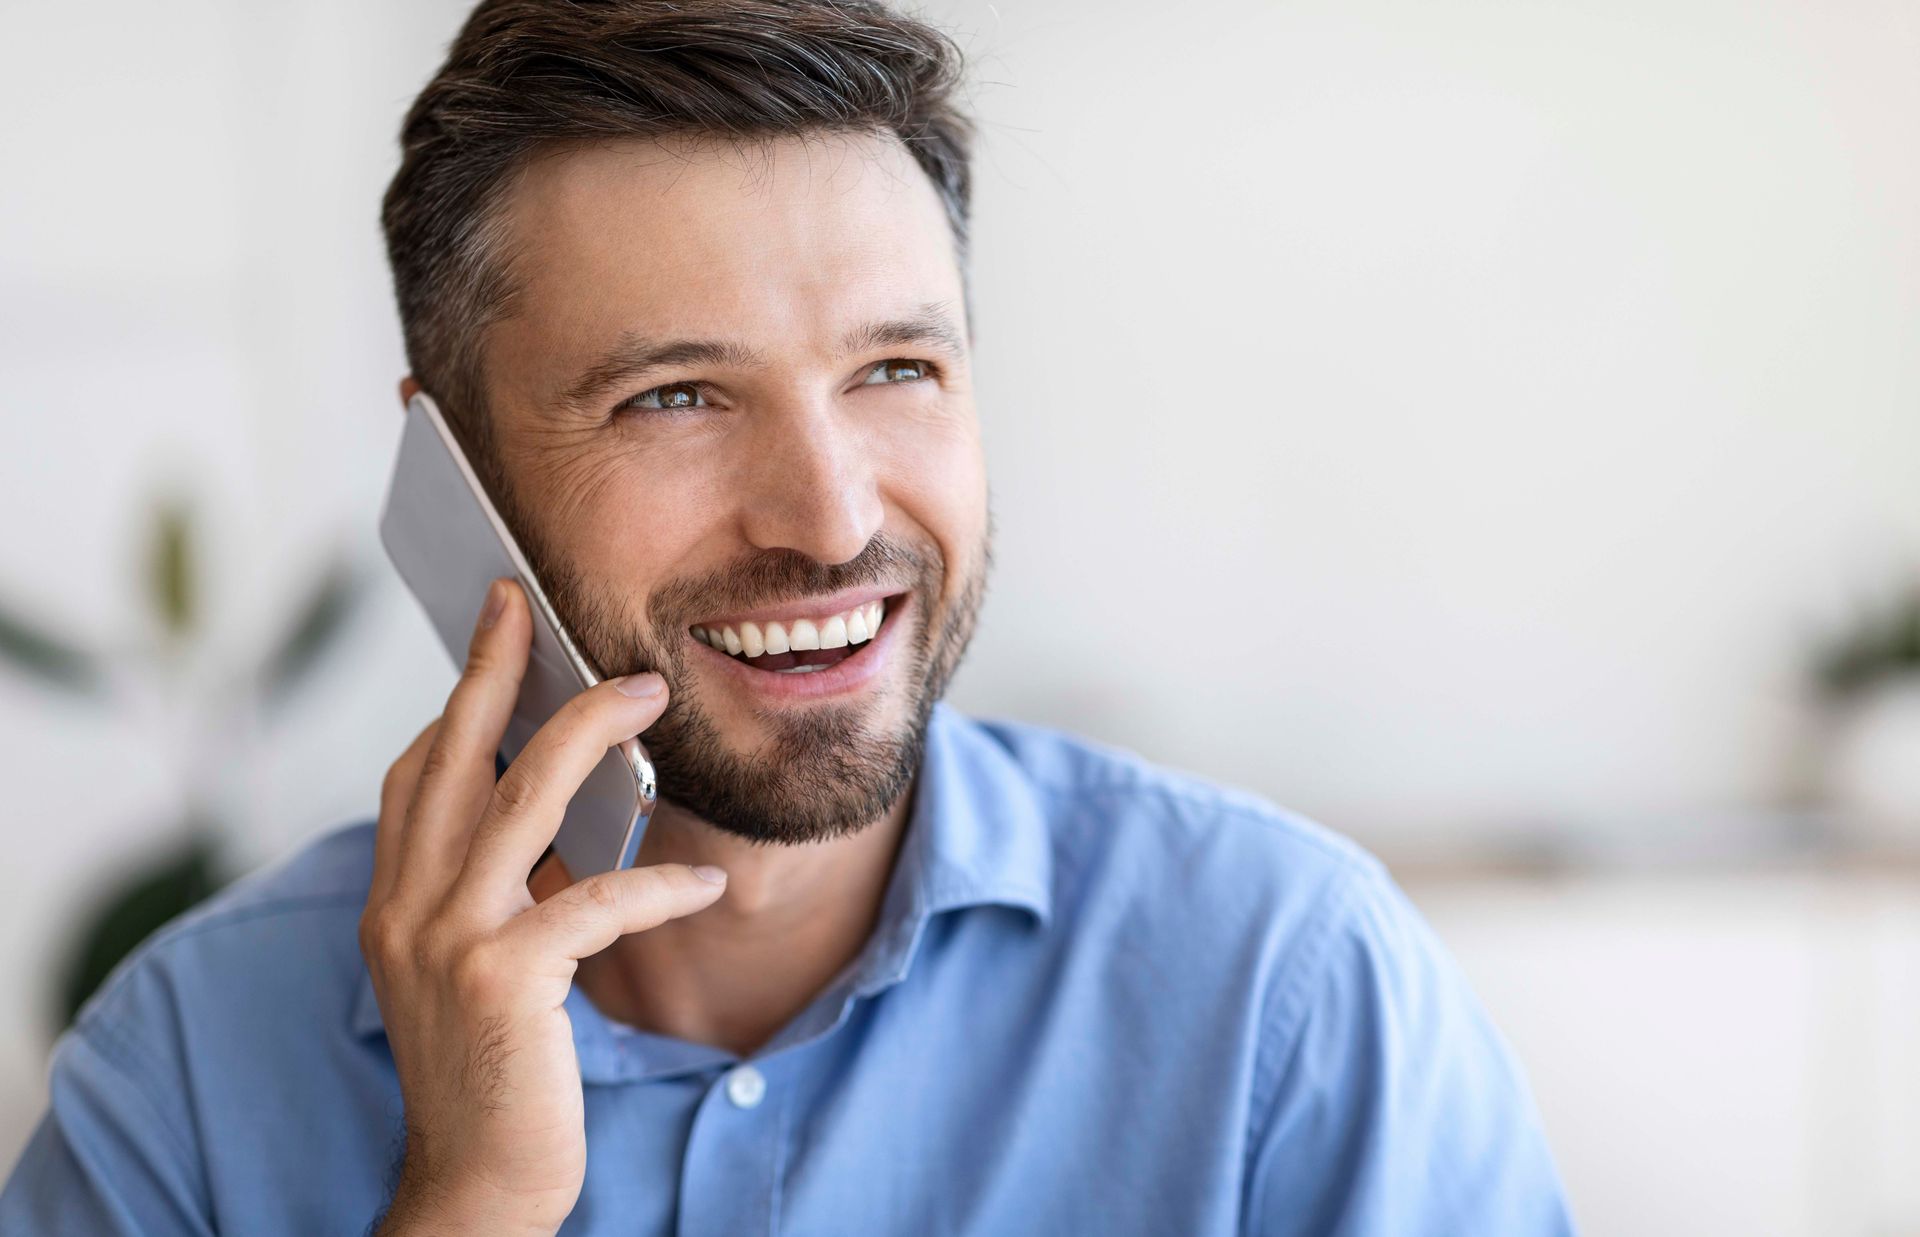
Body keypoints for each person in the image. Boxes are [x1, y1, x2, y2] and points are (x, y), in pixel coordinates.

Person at [0, 1, 1577, 1232]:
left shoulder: (1287, 993)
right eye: (675, 396)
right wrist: (463, 1210)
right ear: (452, 475)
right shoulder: (190, 1070)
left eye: (897, 370)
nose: (830, 519)